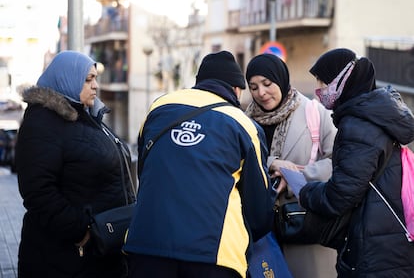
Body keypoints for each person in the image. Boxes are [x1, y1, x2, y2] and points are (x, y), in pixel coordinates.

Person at [123, 50, 275, 278]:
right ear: (236, 89)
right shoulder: (243, 124)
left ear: (200, 82)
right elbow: (259, 209)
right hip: (213, 256)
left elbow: (145, 171)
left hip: (145, 245)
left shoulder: (158, 108)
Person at [15, 50, 135, 278]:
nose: (95, 86)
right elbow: (38, 192)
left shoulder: (88, 118)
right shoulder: (43, 123)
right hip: (65, 258)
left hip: (102, 254)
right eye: (88, 79)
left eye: (95, 78)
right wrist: (83, 231)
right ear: (66, 78)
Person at [299, 48, 414, 277]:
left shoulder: (359, 125)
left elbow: (341, 195)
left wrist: (306, 192)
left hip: (375, 250)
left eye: (324, 82)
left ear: (343, 81)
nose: (319, 90)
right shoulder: (375, 115)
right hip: (388, 238)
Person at [244, 53, 337, 278]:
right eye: (253, 87)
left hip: (304, 222)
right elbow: (239, 161)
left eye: (267, 84)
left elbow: (340, 161)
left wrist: (298, 175)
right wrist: (271, 163)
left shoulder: (315, 113)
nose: (261, 93)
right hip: (260, 231)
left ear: (281, 79)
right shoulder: (244, 121)